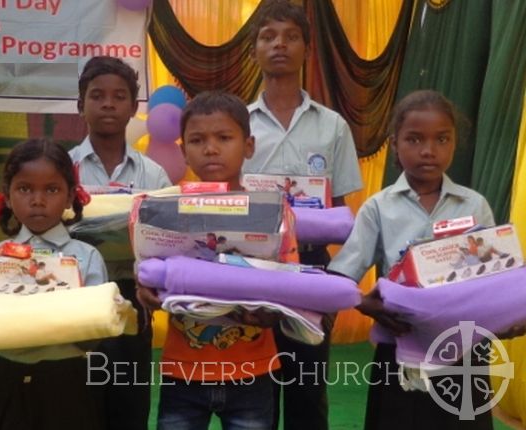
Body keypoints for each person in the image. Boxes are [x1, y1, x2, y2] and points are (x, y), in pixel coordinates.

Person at [328, 90, 524, 430]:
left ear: (454, 143)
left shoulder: (474, 205)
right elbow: (342, 276)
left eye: (441, 139)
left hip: (463, 355)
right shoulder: (379, 207)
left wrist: (505, 319)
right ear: (395, 143)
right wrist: (366, 305)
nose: (428, 151)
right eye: (414, 139)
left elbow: (494, 280)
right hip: (400, 350)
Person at [244, 1, 364, 428]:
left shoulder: (332, 126)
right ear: (255, 49)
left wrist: (334, 284)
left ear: (307, 49)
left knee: (307, 393)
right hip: (250, 268)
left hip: (312, 267)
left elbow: (346, 215)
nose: (279, 44)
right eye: (268, 36)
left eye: (291, 36)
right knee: (252, 393)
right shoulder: (237, 125)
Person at [138, 91, 281, 430]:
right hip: (183, 369)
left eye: (224, 137)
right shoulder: (166, 209)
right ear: (184, 150)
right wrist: (147, 292)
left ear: (248, 145)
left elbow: (286, 283)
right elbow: (149, 273)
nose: (211, 148)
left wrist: (273, 309)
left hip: (253, 370)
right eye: (198, 140)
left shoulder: (272, 213)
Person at [68, 55, 171, 430]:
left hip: (135, 297)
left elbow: (168, 239)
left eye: (119, 96)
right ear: (81, 105)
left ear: (132, 107)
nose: (108, 104)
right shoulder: (64, 169)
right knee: (82, 402)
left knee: (129, 403)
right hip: (79, 297)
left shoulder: (153, 173)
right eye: (97, 96)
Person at [0, 138, 108, 430]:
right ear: (8, 197)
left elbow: (95, 333)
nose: (38, 200)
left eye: (51, 189)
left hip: (69, 384)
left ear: (68, 197)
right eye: (25, 189)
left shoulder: (86, 258)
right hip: (8, 380)